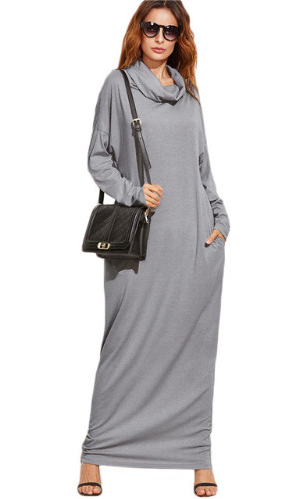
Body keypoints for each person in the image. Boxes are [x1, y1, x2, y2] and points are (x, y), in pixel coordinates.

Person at [77, 1, 230, 496]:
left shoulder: (190, 96)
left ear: (180, 37)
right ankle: (96, 451)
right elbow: (98, 158)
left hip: (195, 243)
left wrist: (221, 221)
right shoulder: (118, 85)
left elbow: (202, 169)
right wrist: (132, 192)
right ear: (137, 31)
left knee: (194, 350)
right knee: (124, 343)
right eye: (152, 28)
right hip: (140, 243)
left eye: (170, 30)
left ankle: (197, 454)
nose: (160, 37)